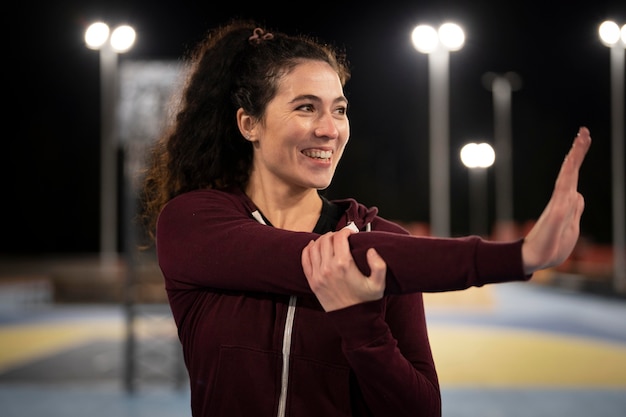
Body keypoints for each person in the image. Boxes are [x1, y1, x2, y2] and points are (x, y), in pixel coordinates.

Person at [140, 18, 591, 417]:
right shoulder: (192, 222)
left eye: (339, 109)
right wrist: (519, 256)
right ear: (249, 124)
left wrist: (362, 325)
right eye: (305, 107)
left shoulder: (383, 241)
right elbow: (332, 258)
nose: (329, 128)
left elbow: (420, 409)